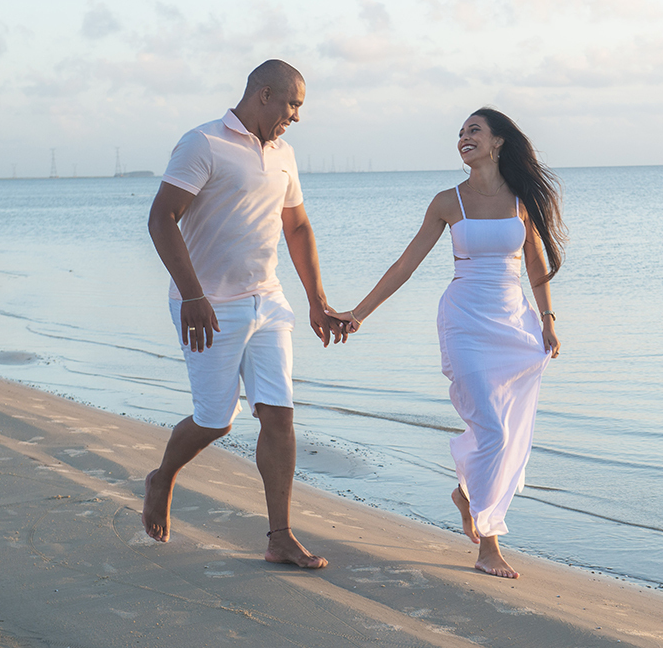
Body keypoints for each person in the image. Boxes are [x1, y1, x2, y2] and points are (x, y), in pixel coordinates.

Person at [331, 108, 565, 579]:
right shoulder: (447, 201)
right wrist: (358, 313)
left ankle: (466, 495)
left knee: (501, 428)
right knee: (492, 430)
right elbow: (405, 265)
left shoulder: (522, 201)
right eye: (460, 133)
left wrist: (548, 320)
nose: (464, 137)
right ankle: (488, 543)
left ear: (498, 141)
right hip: (464, 321)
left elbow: (536, 268)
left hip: (512, 326)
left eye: (474, 130)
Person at [142, 59, 345, 569]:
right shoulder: (203, 144)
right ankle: (162, 475)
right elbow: (161, 218)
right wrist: (192, 295)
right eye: (293, 104)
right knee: (216, 421)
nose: (296, 116)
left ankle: (280, 535)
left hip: (269, 301)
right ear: (264, 94)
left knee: (279, 415)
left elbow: (296, 228)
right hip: (208, 306)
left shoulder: (284, 155)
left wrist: (317, 303)